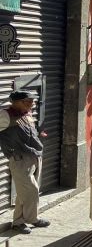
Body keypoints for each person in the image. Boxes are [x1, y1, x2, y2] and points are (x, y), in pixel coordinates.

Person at [0, 91, 49, 234]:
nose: (31, 104)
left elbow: (28, 130)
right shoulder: (4, 115)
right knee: (31, 190)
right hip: (19, 159)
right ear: (15, 102)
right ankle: (32, 219)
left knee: (24, 192)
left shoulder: (27, 113)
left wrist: (39, 134)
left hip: (35, 156)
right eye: (27, 102)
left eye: (32, 102)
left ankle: (18, 223)